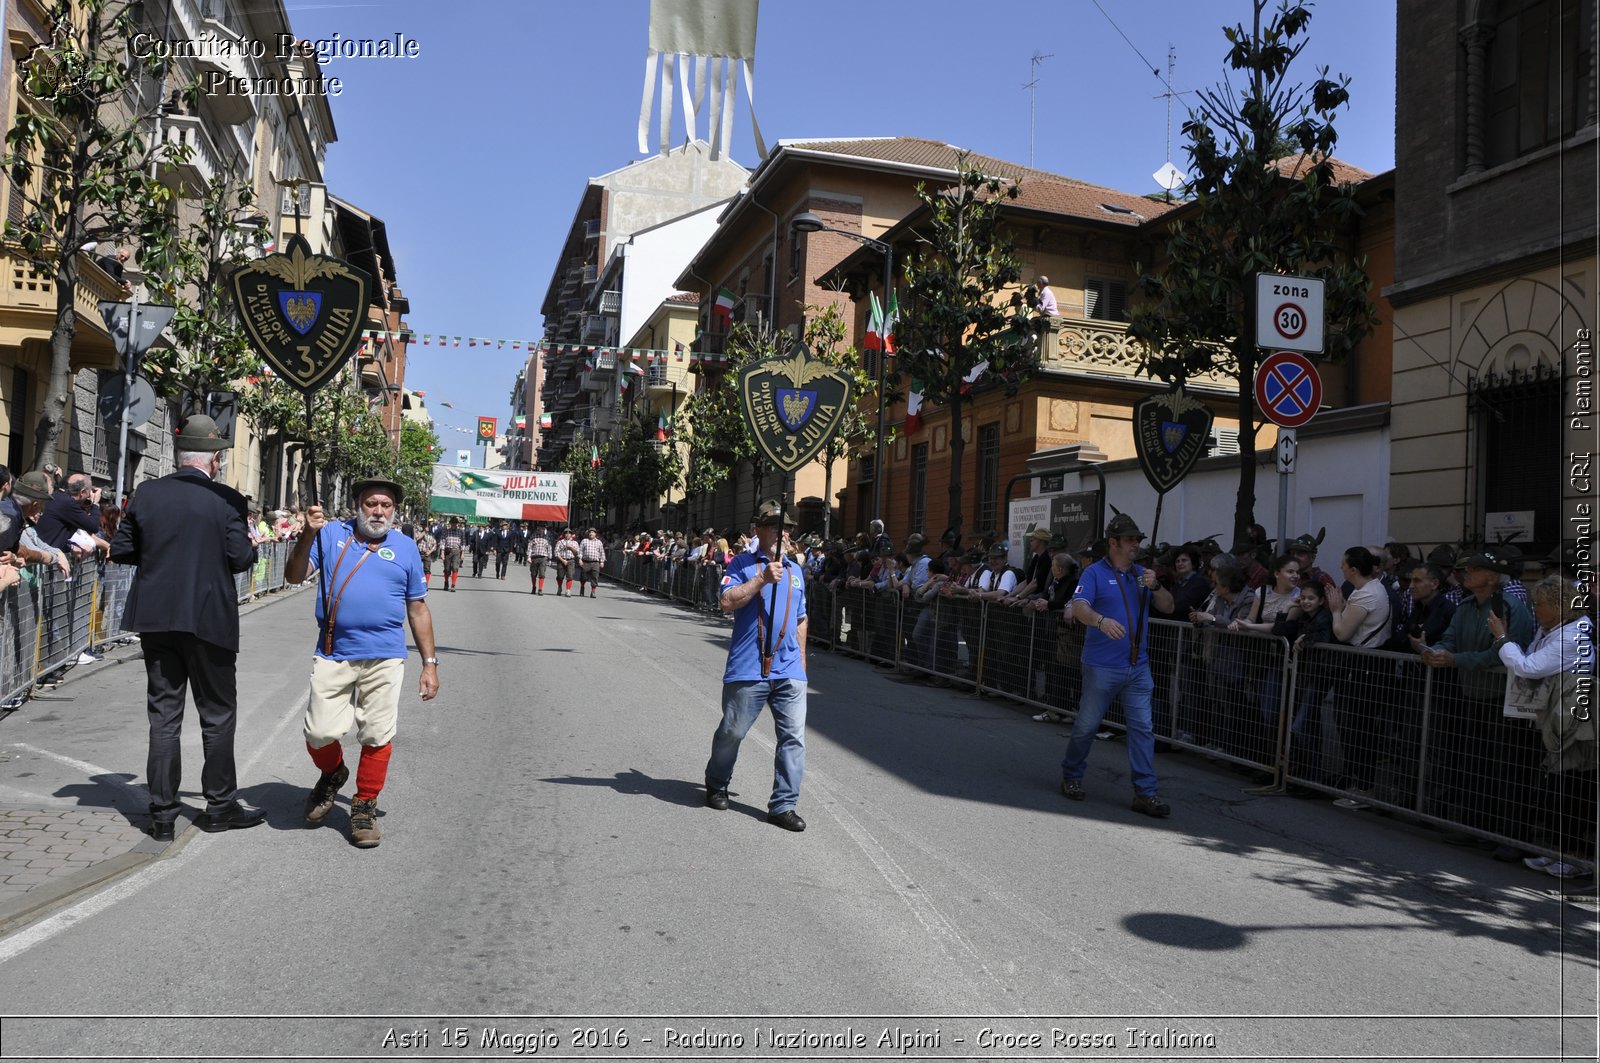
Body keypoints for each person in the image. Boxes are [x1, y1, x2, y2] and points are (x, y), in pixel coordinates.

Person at [107, 415, 262, 840]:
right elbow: (241, 560)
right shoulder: (227, 499)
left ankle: (161, 816)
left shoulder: (147, 492)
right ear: (212, 459)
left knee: (164, 717)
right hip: (209, 619)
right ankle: (219, 805)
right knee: (216, 715)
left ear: (180, 457)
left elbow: (121, 550)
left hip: (157, 619)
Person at [285, 478, 440, 848]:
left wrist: (430, 664)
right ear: (358, 505)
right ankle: (333, 772)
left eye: (386, 505)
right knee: (318, 733)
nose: (379, 511)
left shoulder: (405, 548)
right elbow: (293, 576)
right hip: (333, 651)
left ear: (394, 511)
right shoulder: (330, 534)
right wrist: (308, 533)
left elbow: (417, 609)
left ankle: (365, 804)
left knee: (377, 733)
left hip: (385, 655)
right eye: (372, 503)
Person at [704, 499, 809, 832]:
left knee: (793, 738)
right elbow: (725, 602)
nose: (783, 533)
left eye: (787, 528)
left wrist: (802, 665)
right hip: (749, 666)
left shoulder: (795, 571)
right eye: (775, 527)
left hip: (789, 670)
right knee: (732, 732)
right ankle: (717, 781)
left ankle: (783, 805)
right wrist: (762, 578)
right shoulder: (742, 564)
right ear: (759, 531)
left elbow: (802, 619)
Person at [1060, 513, 1176, 816]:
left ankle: (1146, 793)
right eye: (1129, 540)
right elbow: (1080, 607)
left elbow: (1169, 606)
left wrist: (1157, 587)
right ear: (1113, 543)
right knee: (1087, 725)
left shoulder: (1142, 575)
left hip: (1138, 666)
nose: (1135, 544)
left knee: (1143, 729)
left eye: (1137, 539)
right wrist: (1100, 621)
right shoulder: (1094, 574)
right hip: (1101, 666)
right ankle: (1072, 775)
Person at [1490, 575, 1596, 879]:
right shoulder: (1553, 628)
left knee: (1572, 789)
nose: (1535, 609)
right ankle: (1557, 851)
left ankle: (1575, 857)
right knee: (1556, 788)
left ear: (1559, 606)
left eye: (1540, 604)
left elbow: (1529, 665)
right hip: (1554, 716)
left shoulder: (1571, 635)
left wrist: (1502, 639)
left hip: (1573, 718)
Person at [1325, 546, 1395, 809]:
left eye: (1343, 564)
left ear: (1353, 569)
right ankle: (1358, 783)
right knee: (1353, 726)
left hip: (1364, 667)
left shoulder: (1365, 594)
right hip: (1365, 665)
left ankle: (1364, 788)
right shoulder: (1369, 590)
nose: (1341, 568)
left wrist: (1335, 609)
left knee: (1358, 728)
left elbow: (1342, 633)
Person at [437, 518, 465, 591]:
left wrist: (462, 553)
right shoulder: (446, 531)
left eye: (455, 523)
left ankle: (453, 585)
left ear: (457, 524)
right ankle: (446, 582)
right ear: (450, 523)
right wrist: (442, 553)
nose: (453, 524)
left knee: (455, 568)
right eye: (452, 523)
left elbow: (463, 543)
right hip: (447, 551)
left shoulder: (461, 532)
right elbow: (442, 542)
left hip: (456, 551)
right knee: (447, 569)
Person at [578, 526, 606, 597]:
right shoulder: (584, 541)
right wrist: (580, 559)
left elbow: (602, 552)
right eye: (590, 532)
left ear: (595, 534)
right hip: (585, 562)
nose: (591, 533)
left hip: (595, 562)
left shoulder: (599, 542)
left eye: (593, 532)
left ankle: (593, 591)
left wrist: (602, 561)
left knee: (595, 577)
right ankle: (582, 587)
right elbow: (580, 551)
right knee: (583, 577)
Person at [527, 525, 553, 594]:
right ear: (538, 529)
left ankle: (540, 589)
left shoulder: (547, 538)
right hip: (534, 557)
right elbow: (530, 547)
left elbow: (549, 549)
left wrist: (550, 559)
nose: (541, 530)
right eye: (540, 528)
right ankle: (534, 587)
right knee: (533, 574)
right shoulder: (533, 536)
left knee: (542, 574)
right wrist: (529, 557)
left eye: (543, 528)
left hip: (543, 558)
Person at [554, 529, 580, 596]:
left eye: (569, 533)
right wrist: (563, 560)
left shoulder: (575, 543)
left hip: (571, 560)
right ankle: (559, 587)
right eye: (566, 533)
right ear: (564, 534)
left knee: (570, 576)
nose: (567, 534)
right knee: (560, 576)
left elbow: (577, 553)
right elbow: (556, 553)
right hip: (561, 560)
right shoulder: (560, 542)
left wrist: (571, 547)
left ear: (571, 534)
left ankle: (568, 590)